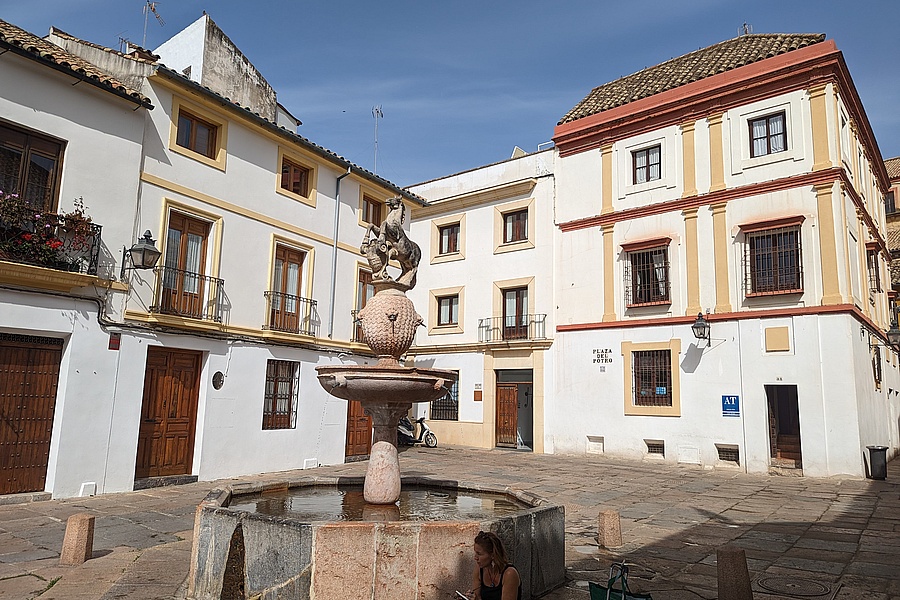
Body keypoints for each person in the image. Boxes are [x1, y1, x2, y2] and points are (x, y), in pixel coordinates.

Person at [466, 530, 521, 600]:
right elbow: (477, 596)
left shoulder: (509, 574)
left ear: (492, 555)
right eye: (475, 553)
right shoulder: (479, 569)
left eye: (479, 554)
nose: (475, 558)